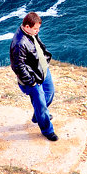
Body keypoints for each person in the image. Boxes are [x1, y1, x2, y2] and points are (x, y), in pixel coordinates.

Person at [10, 12, 58, 141]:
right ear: (26, 26)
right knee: (41, 105)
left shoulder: (31, 33)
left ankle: (38, 116)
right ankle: (47, 130)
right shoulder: (20, 43)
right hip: (32, 79)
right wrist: (31, 81)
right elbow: (18, 66)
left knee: (50, 93)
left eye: (38, 28)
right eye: (36, 28)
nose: (38, 31)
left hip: (42, 70)